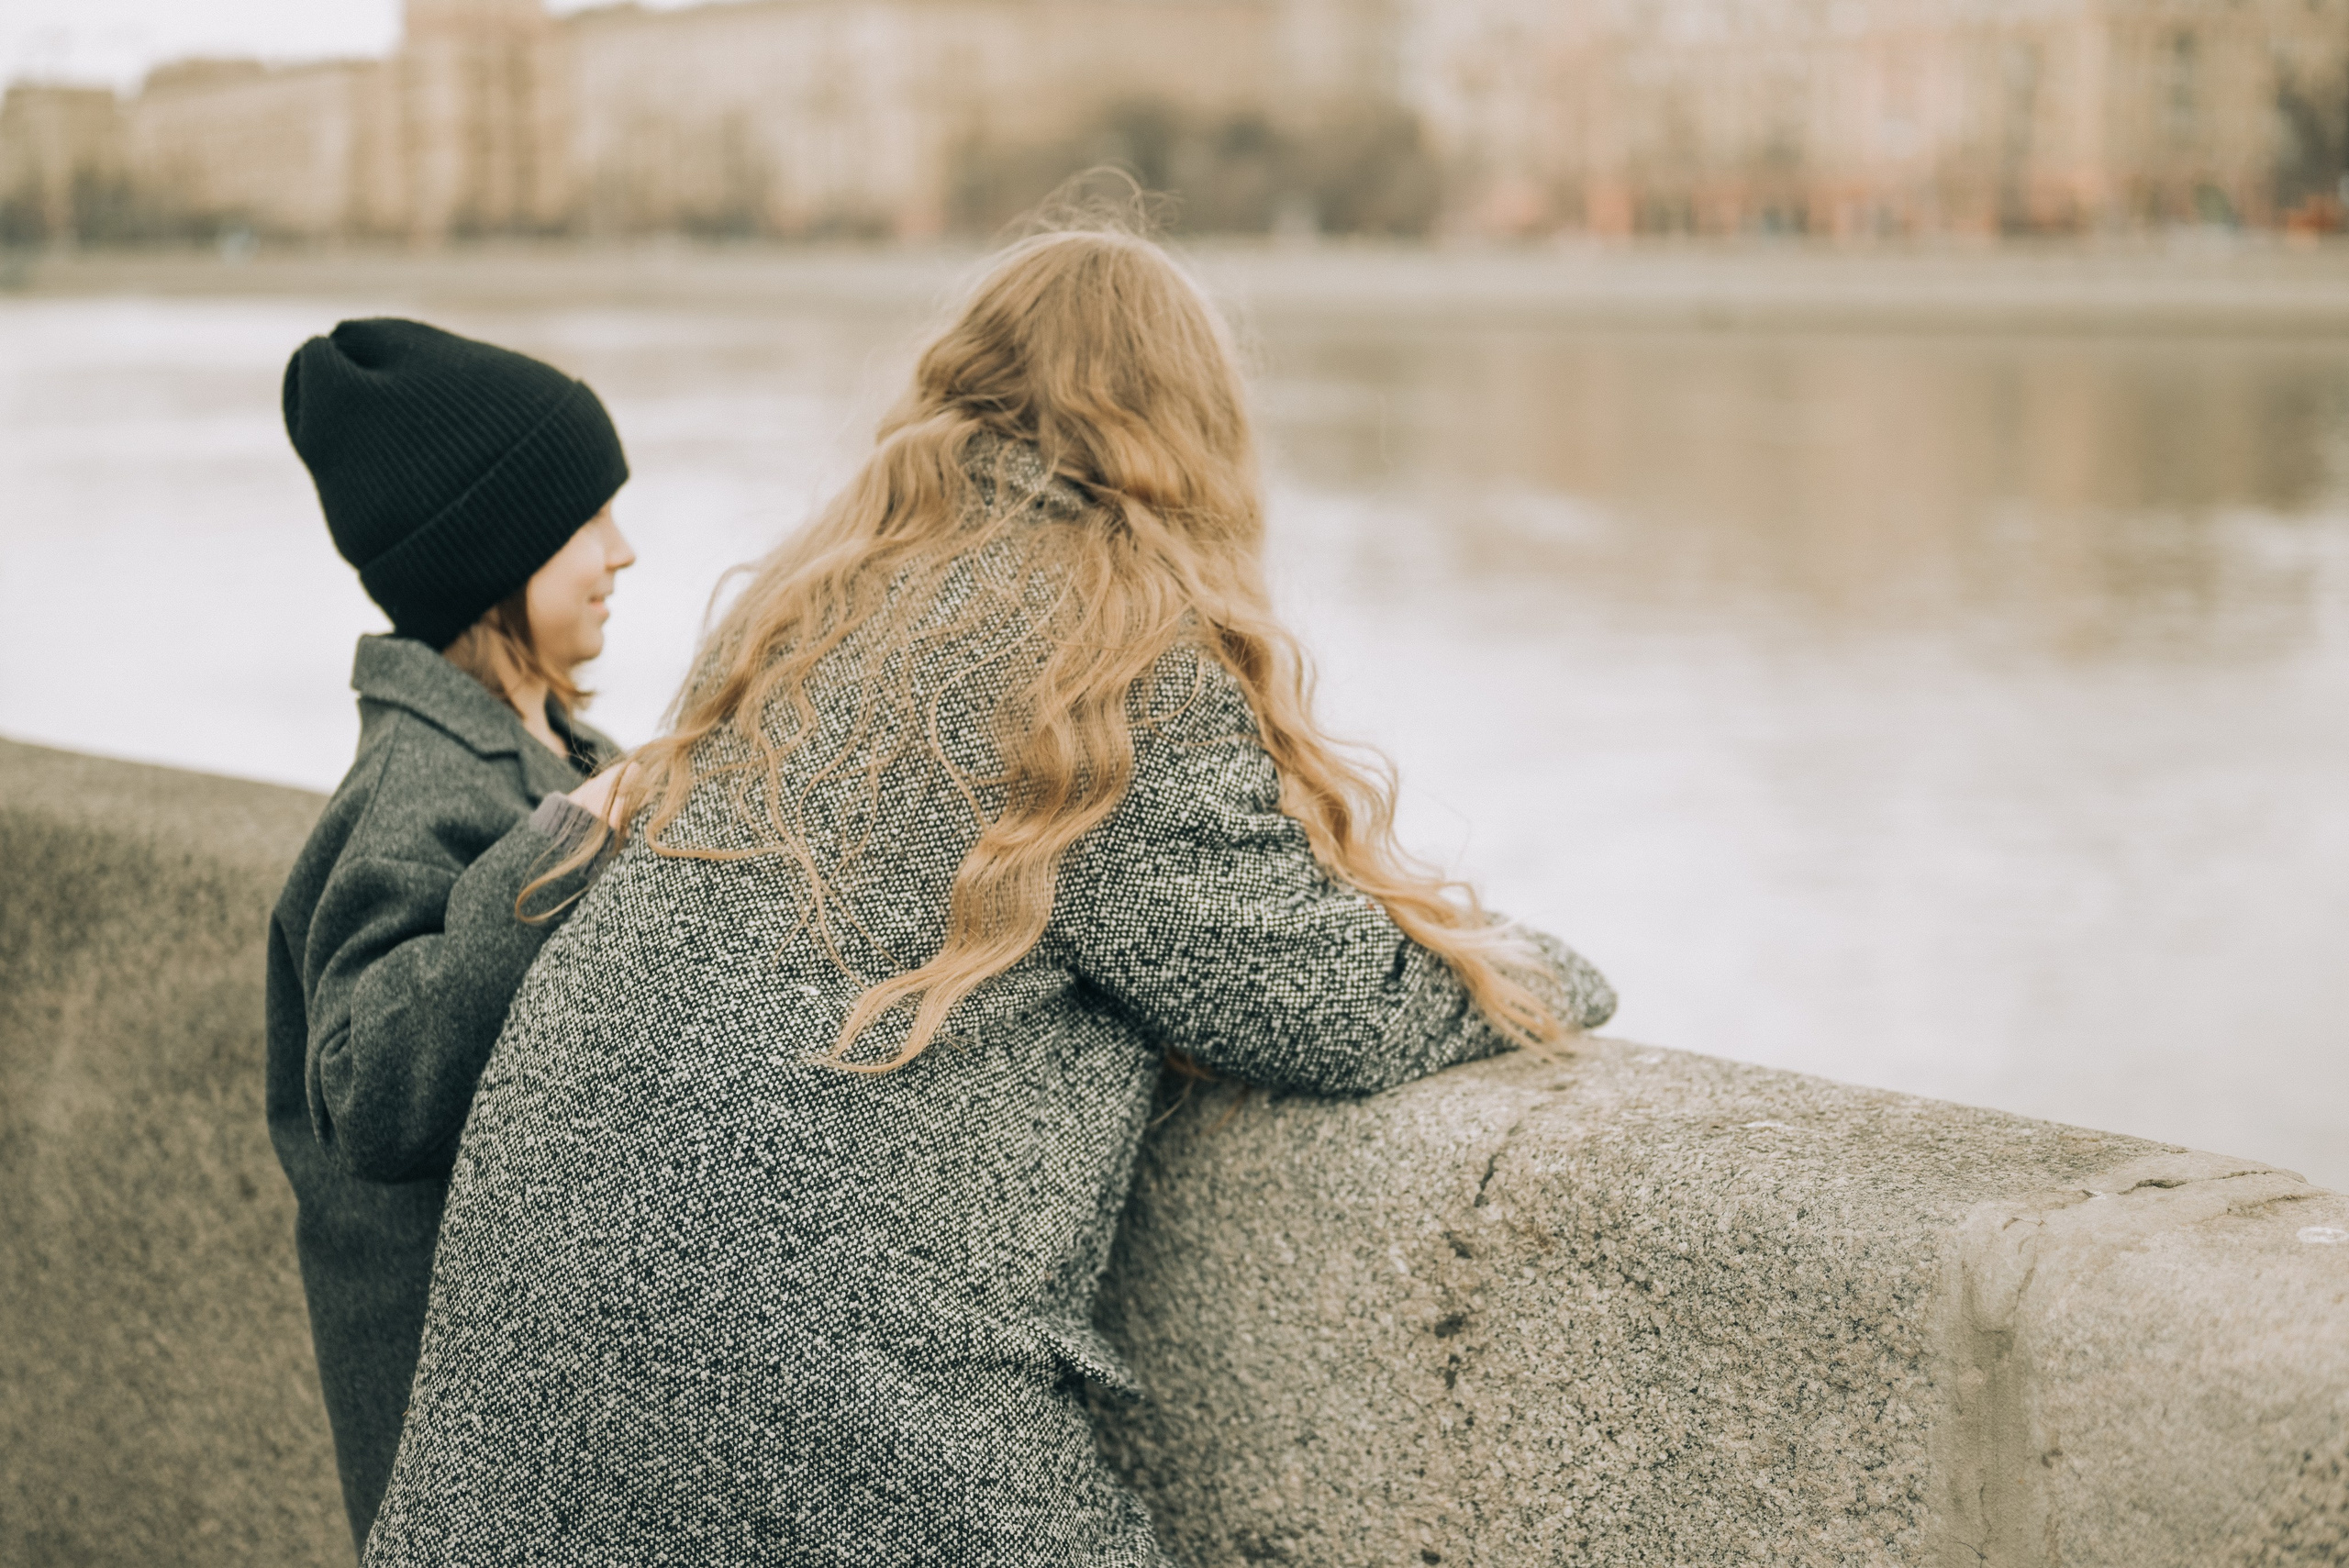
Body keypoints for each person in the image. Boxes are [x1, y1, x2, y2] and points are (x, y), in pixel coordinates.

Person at [363, 228, 1615, 1567]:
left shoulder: (798, 613)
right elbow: (1329, 1002)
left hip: (506, 1446)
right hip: (823, 1428)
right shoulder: (1106, 658)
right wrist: (1555, 972)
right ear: (1192, 432)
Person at [262, 317, 637, 1553]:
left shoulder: (558, 745)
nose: (623, 552)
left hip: (554, 1416)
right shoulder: (412, 790)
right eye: (588, 521)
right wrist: (550, 859)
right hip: (470, 1469)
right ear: (496, 552)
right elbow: (369, 1084)